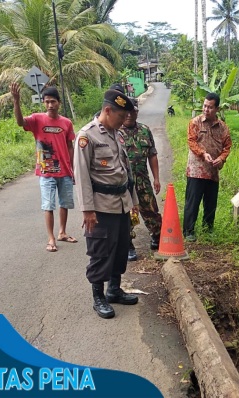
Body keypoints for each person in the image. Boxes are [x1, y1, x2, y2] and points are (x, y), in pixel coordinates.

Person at [74, 89, 139, 319]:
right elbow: (81, 177)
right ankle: (98, 297)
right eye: (121, 116)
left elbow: (126, 171)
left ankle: (114, 290)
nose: (124, 121)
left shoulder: (116, 134)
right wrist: (87, 210)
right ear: (108, 110)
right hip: (100, 208)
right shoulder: (87, 136)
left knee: (121, 248)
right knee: (101, 253)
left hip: (121, 203)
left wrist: (134, 201)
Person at [10, 82, 77, 253]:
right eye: (46, 102)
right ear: (43, 103)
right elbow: (20, 122)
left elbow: (70, 145)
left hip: (64, 171)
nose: (50, 105)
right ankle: (51, 238)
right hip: (46, 171)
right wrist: (16, 101)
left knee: (65, 203)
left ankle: (62, 232)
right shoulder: (37, 119)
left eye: (53, 101)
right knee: (48, 205)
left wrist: (72, 168)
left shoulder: (66, 123)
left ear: (59, 103)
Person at [183, 93, 232, 242]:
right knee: (193, 201)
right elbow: (192, 142)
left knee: (211, 202)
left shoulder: (223, 127)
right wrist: (203, 154)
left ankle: (208, 228)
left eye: (210, 107)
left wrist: (221, 158)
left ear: (217, 108)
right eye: (205, 106)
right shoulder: (195, 122)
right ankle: (188, 230)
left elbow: (227, 146)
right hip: (196, 169)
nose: (206, 109)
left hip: (213, 170)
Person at [120, 98, 163, 260]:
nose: (130, 115)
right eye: (127, 112)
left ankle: (157, 236)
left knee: (151, 210)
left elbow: (152, 155)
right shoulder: (116, 132)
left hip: (143, 179)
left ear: (137, 112)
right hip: (124, 183)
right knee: (125, 215)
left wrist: (156, 178)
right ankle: (128, 245)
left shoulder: (145, 130)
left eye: (133, 112)